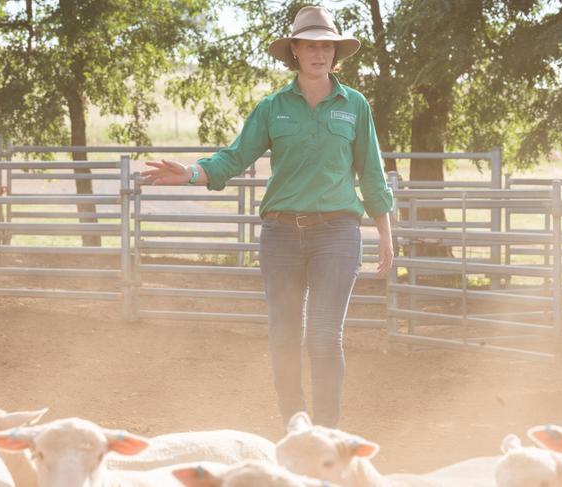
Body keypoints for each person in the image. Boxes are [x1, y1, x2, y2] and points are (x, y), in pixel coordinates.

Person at [141, 5, 394, 427]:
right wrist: (190, 173)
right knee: (284, 336)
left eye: (327, 46)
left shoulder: (355, 106)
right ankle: (294, 422)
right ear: (294, 51)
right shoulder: (272, 107)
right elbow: (235, 156)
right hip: (281, 235)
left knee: (324, 336)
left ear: (335, 53)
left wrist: (385, 234)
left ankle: (327, 433)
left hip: (337, 233)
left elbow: (371, 172)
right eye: (310, 45)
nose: (319, 54)